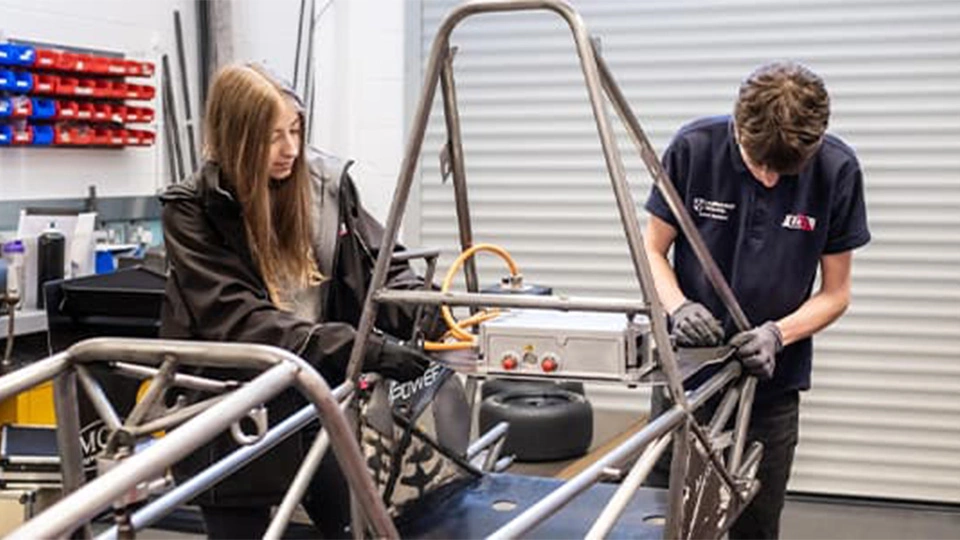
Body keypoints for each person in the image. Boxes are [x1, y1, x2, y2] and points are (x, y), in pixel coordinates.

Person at [159, 64, 437, 538]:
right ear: (236, 137)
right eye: (272, 137)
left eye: (295, 130)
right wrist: (357, 348)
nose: (290, 149)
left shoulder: (324, 188)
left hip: (312, 397)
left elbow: (379, 264)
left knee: (359, 527)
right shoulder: (192, 208)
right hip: (231, 410)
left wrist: (427, 310)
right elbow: (237, 318)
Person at [643, 61, 870, 538]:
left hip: (770, 387)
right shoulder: (693, 150)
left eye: (783, 171)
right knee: (664, 522)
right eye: (757, 163)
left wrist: (777, 335)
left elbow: (836, 293)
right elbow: (652, 251)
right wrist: (678, 306)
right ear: (738, 128)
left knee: (756, 526)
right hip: (687, 378)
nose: (768, 180)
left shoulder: (837, 170)